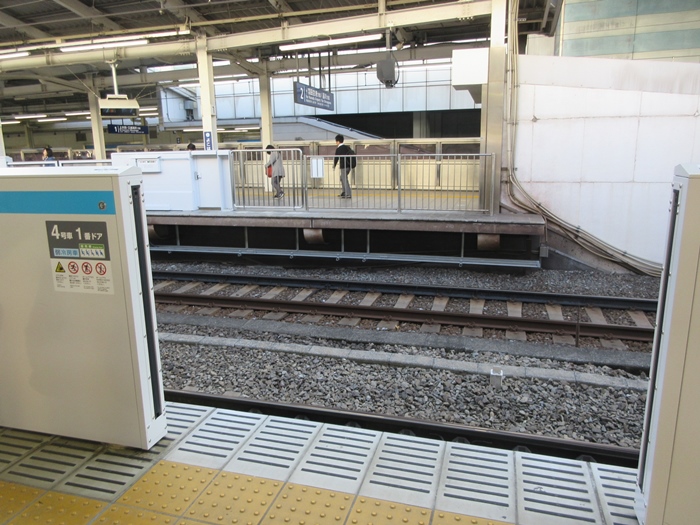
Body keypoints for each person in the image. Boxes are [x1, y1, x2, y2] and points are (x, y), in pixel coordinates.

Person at [332, 134, 353, 198]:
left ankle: (348, 194)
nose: (336, 143)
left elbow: (336, 158)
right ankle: (344, 192)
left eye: (336, 141)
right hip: (349, 166)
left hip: (343, 166)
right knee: (342, 178)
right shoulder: (347, 147)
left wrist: (334, 165)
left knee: (344, 179)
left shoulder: (339, 149)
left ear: (338, 141)